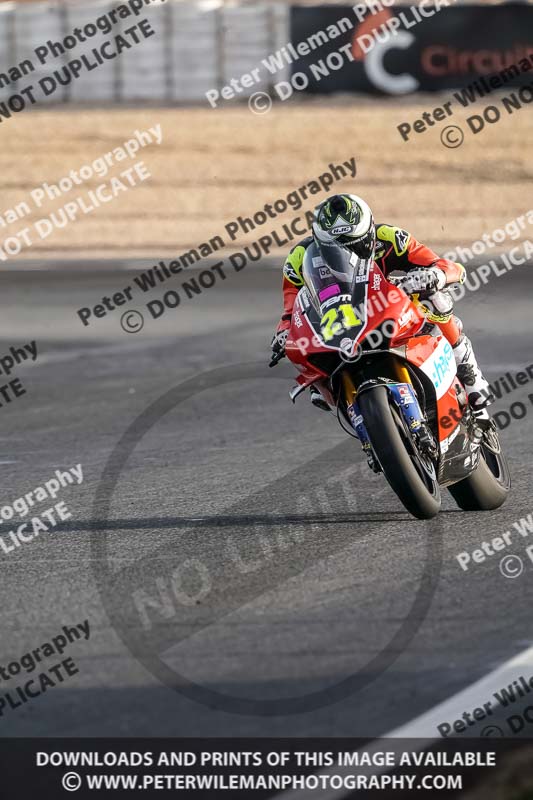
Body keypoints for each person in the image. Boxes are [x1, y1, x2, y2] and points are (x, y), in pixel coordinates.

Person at [271, 193, 493, 412]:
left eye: (354, 245)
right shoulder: (299, 258)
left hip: (387, 304)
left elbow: (443, 264)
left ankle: (467, 368)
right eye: (336, 248)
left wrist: (436, 275)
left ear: (369, 232)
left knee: (435, 297)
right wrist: (283, 333)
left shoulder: (389, 237)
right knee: (300, 345)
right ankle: (330, 385)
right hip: (338, 319)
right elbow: (291, 309)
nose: (347, 254)